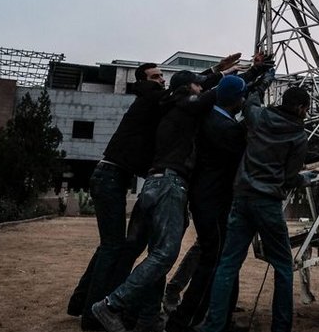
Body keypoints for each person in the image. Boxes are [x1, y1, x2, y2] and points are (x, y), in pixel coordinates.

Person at [93, 61, 265, 332]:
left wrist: (246, 75)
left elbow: (213, 91)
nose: (202, 88)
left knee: (145, 252)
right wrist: (249, 81)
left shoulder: (174, 109)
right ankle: (111, 305)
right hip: (170, 185)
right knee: (163, 254)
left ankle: (146, 318)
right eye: (198, 85)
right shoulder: (184, 104)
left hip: (153, 183)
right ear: (188, 89)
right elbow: (216, 94)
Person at [198, 82, 313, 332]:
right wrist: (306, 179)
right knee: (283, 266)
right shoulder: (298, 136)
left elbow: (250, 102)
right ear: (303, 108)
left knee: (228, 263)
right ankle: (280, 327)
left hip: (242, 199)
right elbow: (290, 177)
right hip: (268, 203)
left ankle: (214, 324)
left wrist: (261, 82)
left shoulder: (259, 117)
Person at [67, 62, 166, 331]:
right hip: (109, 177)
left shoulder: (151, 99)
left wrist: (217, 71)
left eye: (162, 76)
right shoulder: (149, 95)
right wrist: (217, 75)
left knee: (108, 246)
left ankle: (79, 303)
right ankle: (92, 316)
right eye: (156, 76)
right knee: (112, 247)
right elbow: (183, 87)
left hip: (110, 177)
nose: (161, 80)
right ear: (144, 80)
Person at [165, 74, 258, 332]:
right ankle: (185, 320)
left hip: (211, 199)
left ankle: (221, 318)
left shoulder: (214, 117)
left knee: (226, 259)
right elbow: (248, 139)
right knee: (214, 259)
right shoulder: (223, 126)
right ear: (236, 100)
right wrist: (255, 104)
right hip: (212, 200)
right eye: (242, 96)